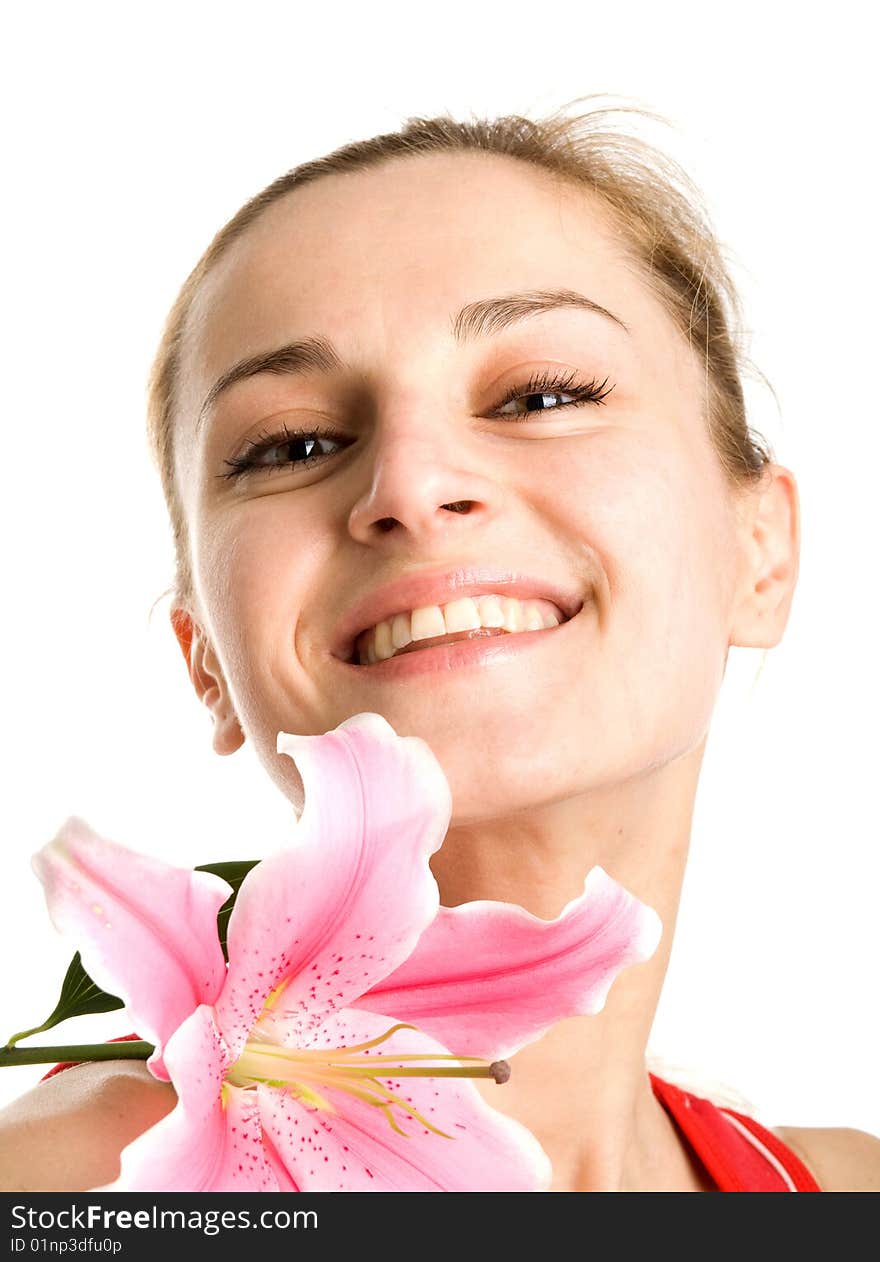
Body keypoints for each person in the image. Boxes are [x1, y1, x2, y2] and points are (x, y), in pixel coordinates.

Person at [2, 100, 878, 1192]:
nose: (409, 488)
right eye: (296, 443)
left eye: (541, 394)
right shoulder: (68, 1190)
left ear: (761, 552)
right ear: (206, 661)